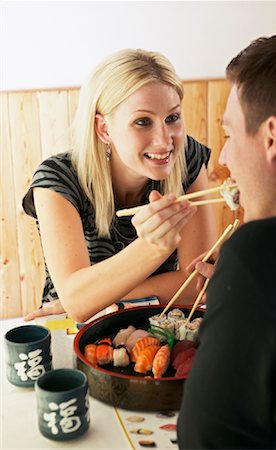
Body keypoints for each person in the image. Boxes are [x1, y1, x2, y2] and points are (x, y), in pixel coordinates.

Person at [177, 31, 276, 448]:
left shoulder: (262, 256)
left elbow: (205, 439)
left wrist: (245, 286)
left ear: (272, 137)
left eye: (229, 135)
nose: (222, 159)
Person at [22, 49, 216, 323]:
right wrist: (152, 248)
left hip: (159, 322)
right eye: (142, 122)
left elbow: (196, 285)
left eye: (172, 118)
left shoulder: (188, 158)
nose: (164, 140)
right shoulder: (57, 179)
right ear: (104, 129)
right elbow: (77, 305)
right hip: (75, 328)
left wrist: (99, 299)